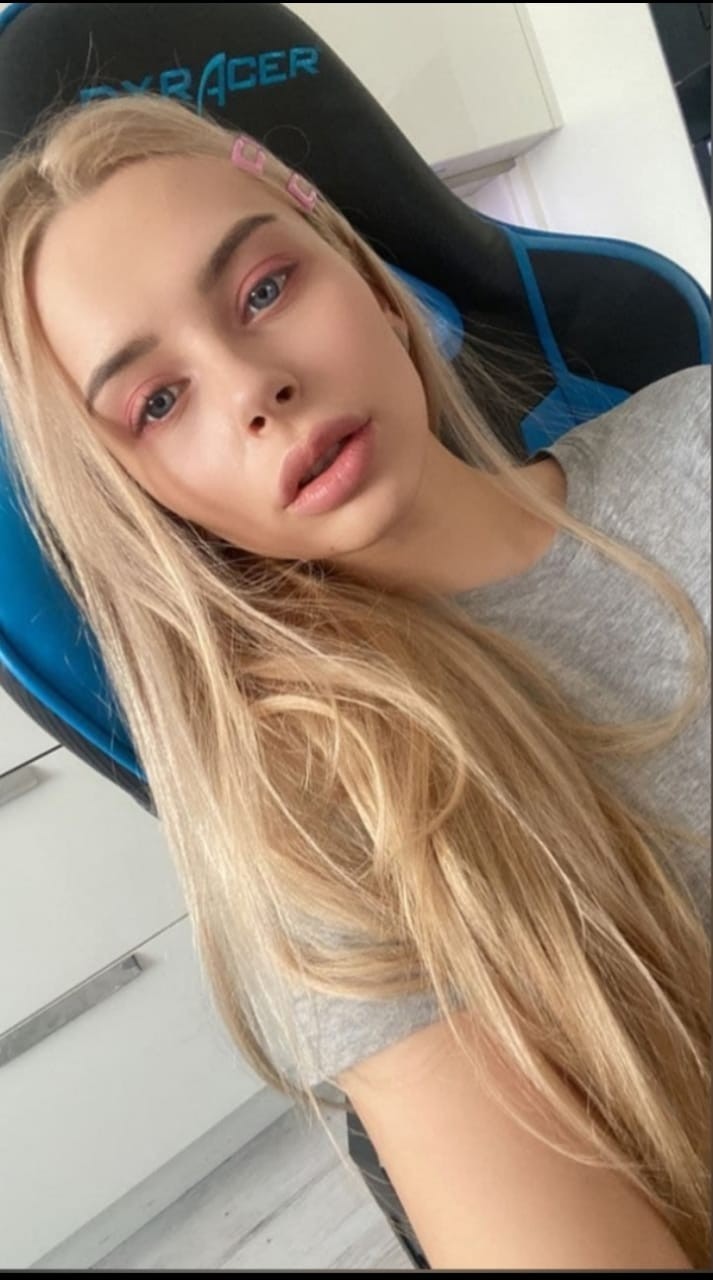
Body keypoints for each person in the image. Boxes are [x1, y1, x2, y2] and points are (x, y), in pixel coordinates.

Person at [0, 92, 708, 1269]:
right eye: (158, 401)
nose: (251, 385)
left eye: (263, 289)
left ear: (371, 283)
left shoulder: (694, 427)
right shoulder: (322, 815)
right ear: (146, 504)